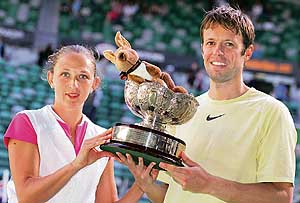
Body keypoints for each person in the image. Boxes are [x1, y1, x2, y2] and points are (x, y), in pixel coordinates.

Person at [116, 5, 297, 203]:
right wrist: (147, 184)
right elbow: (170, 195)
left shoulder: (272, 112)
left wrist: (210, 185)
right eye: (210, 43)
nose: (217, 52)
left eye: (228, 44)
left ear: (247, 52)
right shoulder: (183, 111)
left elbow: (281, 197)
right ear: (202, 49)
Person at [3, 45, 149, 203]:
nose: (73, 84)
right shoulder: (28, 122)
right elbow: (26, 197)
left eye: (83, 76)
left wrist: (140, 186)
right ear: (51, 78)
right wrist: (76, 165)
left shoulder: (101, 137)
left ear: (95, 83)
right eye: (65, 74)